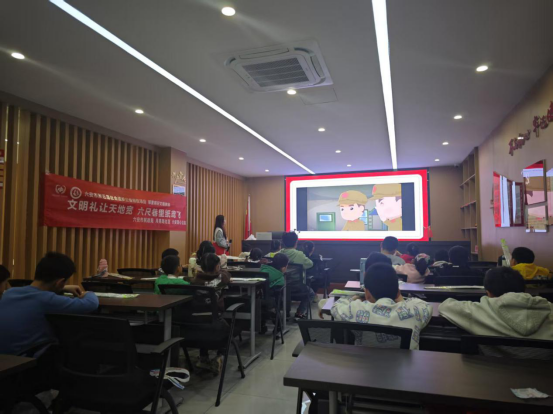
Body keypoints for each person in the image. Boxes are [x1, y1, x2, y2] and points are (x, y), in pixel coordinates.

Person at [0, 252, 99, 355]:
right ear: (60, 282)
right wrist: (88, 292)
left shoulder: (10, 292)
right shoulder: (47, 300)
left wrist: (63, 287)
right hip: (25, 359)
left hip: (5, 357)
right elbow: (91, 303)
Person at [439, 267, 553, 356]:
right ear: (523, 289)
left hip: (491, 374)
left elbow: (444, 306)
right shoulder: (549, 308)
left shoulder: (478, 311)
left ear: (488, 293)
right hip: (545, 376)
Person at [331, 263, 433, 350]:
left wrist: (356, 297)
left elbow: (336, 306)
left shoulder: (356, 309)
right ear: (397, 292)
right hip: (405, 367)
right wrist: (400, 299)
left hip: (366, 366)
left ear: (367, 294)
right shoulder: (414, 310)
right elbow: (425, 305)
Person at [190, 253, 232, 374]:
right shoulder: (221, 277)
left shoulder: (195, 279)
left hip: (196, 320)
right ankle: (220, 356)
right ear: (217, 266)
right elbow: (227, 275)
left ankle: (203, 357)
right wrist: (222, 268)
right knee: (228, 330)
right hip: (215, 319)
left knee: (203, 330)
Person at [280, 232, 316, 319]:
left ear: (283, 242)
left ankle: (284, 312)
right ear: (296, 242)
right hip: (297, 288)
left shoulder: (279, 254)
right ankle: (300, 312)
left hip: (281, 286)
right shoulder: (299, 254)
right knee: (311, 294)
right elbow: (310, 264)